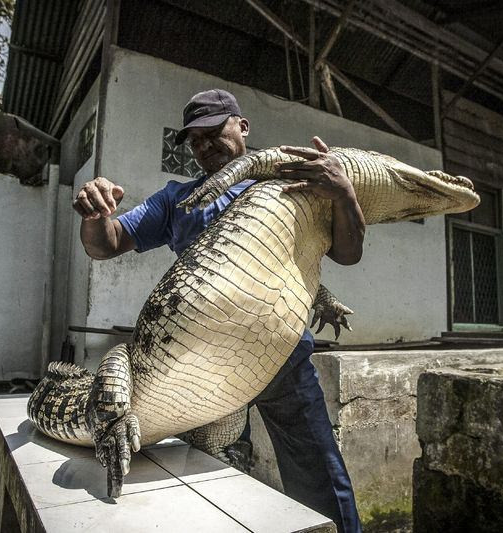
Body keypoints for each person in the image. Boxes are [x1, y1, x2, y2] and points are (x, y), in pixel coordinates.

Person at [73, 89, 364, 533]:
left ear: (242, 126)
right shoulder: (177, 199)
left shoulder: (288, 188)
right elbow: (107, 244)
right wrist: (96, 215)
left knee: (319, 473)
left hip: (280, 353)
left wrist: (343, 191)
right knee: (217, 477)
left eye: (214, 132)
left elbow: (348, 252)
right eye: (195, 140)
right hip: (206, 365)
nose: (204, 145)